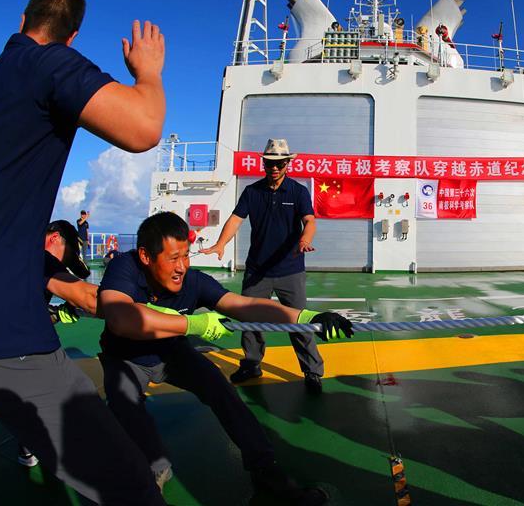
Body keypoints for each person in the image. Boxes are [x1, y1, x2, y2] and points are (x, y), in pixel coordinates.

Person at [0, 0, 167, 504]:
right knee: (130, 488)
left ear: (22, 18)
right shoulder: (49, 65)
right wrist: (147, 71)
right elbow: (143, 128)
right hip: (0, 332)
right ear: (72, 37)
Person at [98, 211, 352, 501]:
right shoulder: (124, 268)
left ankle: (266, 473)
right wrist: (192, 324)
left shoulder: (194, 282)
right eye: (173, 258)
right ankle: (153, 470)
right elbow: (120, 318)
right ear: (145, 256)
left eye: (186, 256)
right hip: (126, 357)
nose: (182, 267)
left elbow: (243, 306)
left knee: (222, 391)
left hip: (171, 351)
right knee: (124, 406)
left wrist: (306, 316)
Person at [203, 138, 325, 394]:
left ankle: (312, 372)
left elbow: (310, 221)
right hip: (257, 271)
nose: (275, 168)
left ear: (287, 164)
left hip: (290, 270)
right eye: (270, 163)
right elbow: (236, 220)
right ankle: (251, 364)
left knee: (299, 323)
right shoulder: (253, 192)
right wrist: (220, 243)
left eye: (280, 163)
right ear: (263, 164)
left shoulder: (298, 191)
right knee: (250, 321)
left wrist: (305, 238)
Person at [18, 220, 99, 469]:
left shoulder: (12, 254)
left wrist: (55, 313)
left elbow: (22, 307)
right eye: (64, 259)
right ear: (54, 238)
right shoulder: (38, 257)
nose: (61, 266)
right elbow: (88, 297)